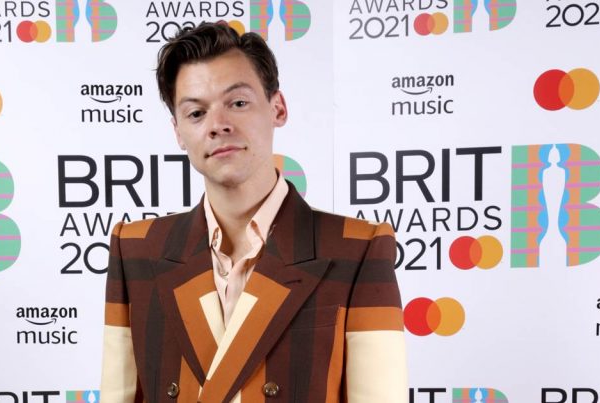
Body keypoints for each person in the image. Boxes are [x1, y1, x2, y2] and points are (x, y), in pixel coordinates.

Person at [101, 22, 406, 403]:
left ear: (277, 108)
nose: (218, 125)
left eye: (238, 103)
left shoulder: (357, 249)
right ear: (178, 132)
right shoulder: (136, 250)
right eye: (196, 113)